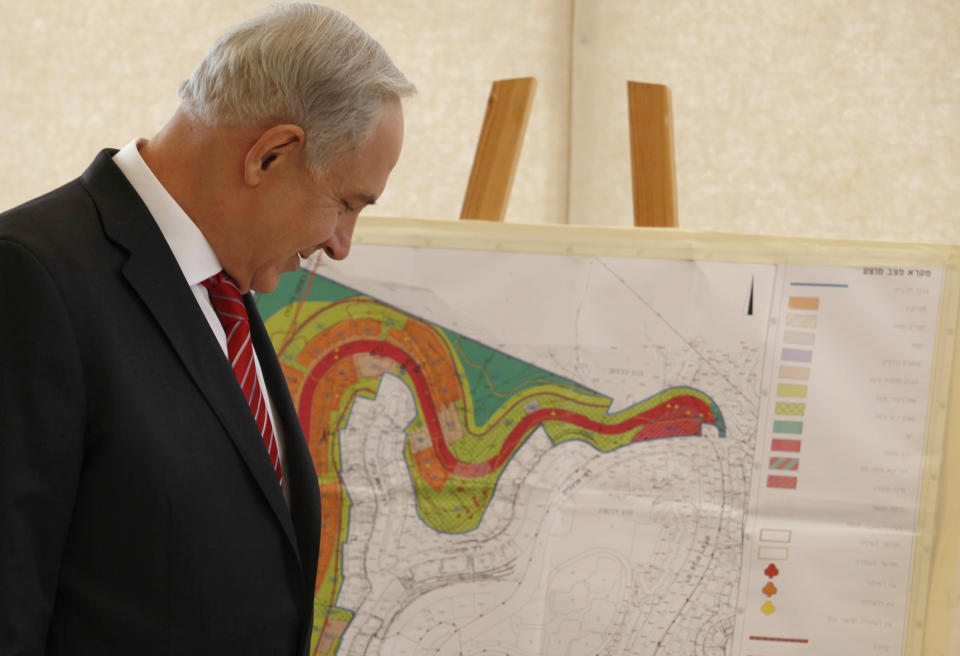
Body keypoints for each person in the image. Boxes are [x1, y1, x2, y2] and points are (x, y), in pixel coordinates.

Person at [0, 4, 414, 655]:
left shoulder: (226, 290)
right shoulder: (27, 276)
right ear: (272, 154)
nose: (340, 245)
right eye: (346, 203)